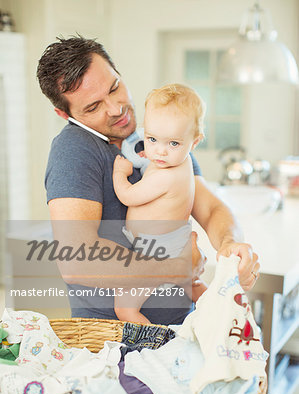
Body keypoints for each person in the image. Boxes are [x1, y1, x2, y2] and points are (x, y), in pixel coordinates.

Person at [37, 36, 260, 325]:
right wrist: (174, 268)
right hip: (115, 340)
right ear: (64, 114)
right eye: (93, 107)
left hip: (180, 324)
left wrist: (230, 245)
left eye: (115, 88)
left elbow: (212, 208)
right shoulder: (75, 149)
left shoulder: (160, 140)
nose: (116, 109)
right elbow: (76, 260)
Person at [112, 83, 208, 323]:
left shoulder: (166, 176)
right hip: (173, 241)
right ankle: (212, 305)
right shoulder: (180, 163)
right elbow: (158, 159)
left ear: (195, 142)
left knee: (124, 309)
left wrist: (119, 174)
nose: (160, 152)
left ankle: (156, 341)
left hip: (156, 251)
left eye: (173, 143)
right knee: (190, 284)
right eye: (152, 139)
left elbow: (128, 196)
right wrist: (152, 156)